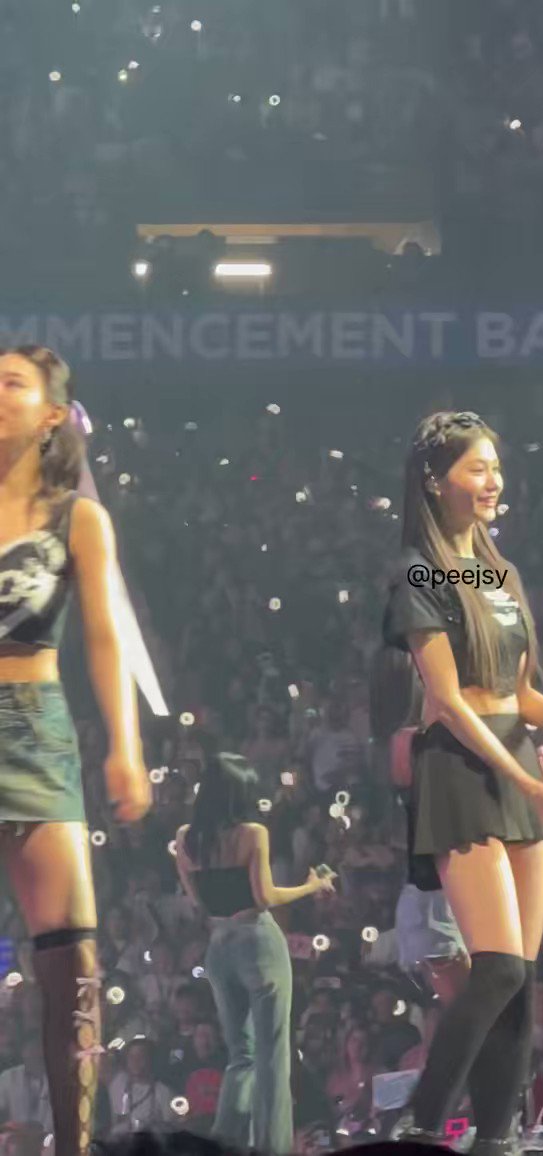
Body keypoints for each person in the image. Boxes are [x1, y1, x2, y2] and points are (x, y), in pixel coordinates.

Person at [381, 411, 543, 1153]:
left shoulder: (499, 574)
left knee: (520, 978)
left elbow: (517, 690)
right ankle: (419, 1123)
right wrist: (525, 780)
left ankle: (498, 1139)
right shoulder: (419, 573)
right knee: (494, 968)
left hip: (516, 761)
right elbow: (447, 699)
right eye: (477, 467)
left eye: (496, 465)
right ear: (436, 482)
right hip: (463, 769)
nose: (493, 479)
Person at [0, 346, 152, 1156]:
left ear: (52, 413)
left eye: (11, 383)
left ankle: (76, 1144)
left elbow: (103, 637)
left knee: (72, 961)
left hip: (32, 725)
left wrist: (125, 745)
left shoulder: (77, 518)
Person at [173, 750, 336, 1156]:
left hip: (219, 947)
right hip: (257, 941)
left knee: (240, 1057)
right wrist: (311, 886)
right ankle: (271, 1148)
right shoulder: (252, 833)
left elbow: (198, 901)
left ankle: (224, 1144)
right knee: (271, 1056)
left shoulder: (185, 838)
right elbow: (264, 897)